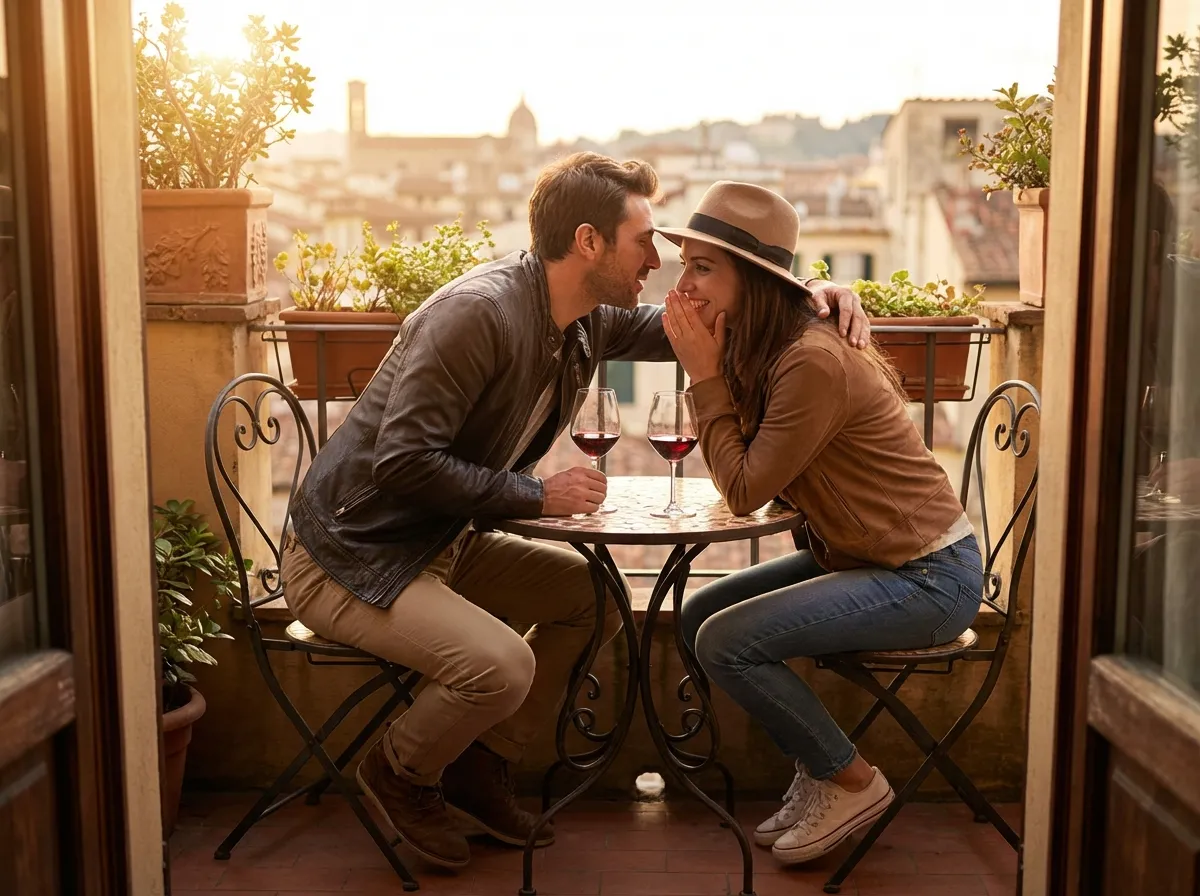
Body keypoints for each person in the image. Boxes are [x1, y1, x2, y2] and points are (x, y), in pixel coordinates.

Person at [281, 153, 871, 869]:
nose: (656, 261)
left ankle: (479, 766)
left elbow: (696, 323)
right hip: (352, 555)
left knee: (592, 597)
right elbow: (402, 463)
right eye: (643, 242)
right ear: (589, 242)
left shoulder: (584, 319)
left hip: (438, 543)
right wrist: (536, 495)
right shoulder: (478, 315)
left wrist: (811, 294)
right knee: (502, 666)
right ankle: (401, 771)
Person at [661, 181, 984, 866]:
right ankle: (818, 770)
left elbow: (744, 490)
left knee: (725, 641)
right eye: (684, 265)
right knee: (698, 616)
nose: (683, 286)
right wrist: (814, 288)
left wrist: (702, 376)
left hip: (928, 576)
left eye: (701, 268)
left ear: (753, 281)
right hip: (864, 556)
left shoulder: (810, 358)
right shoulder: (768, 339)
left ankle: (850, 779)